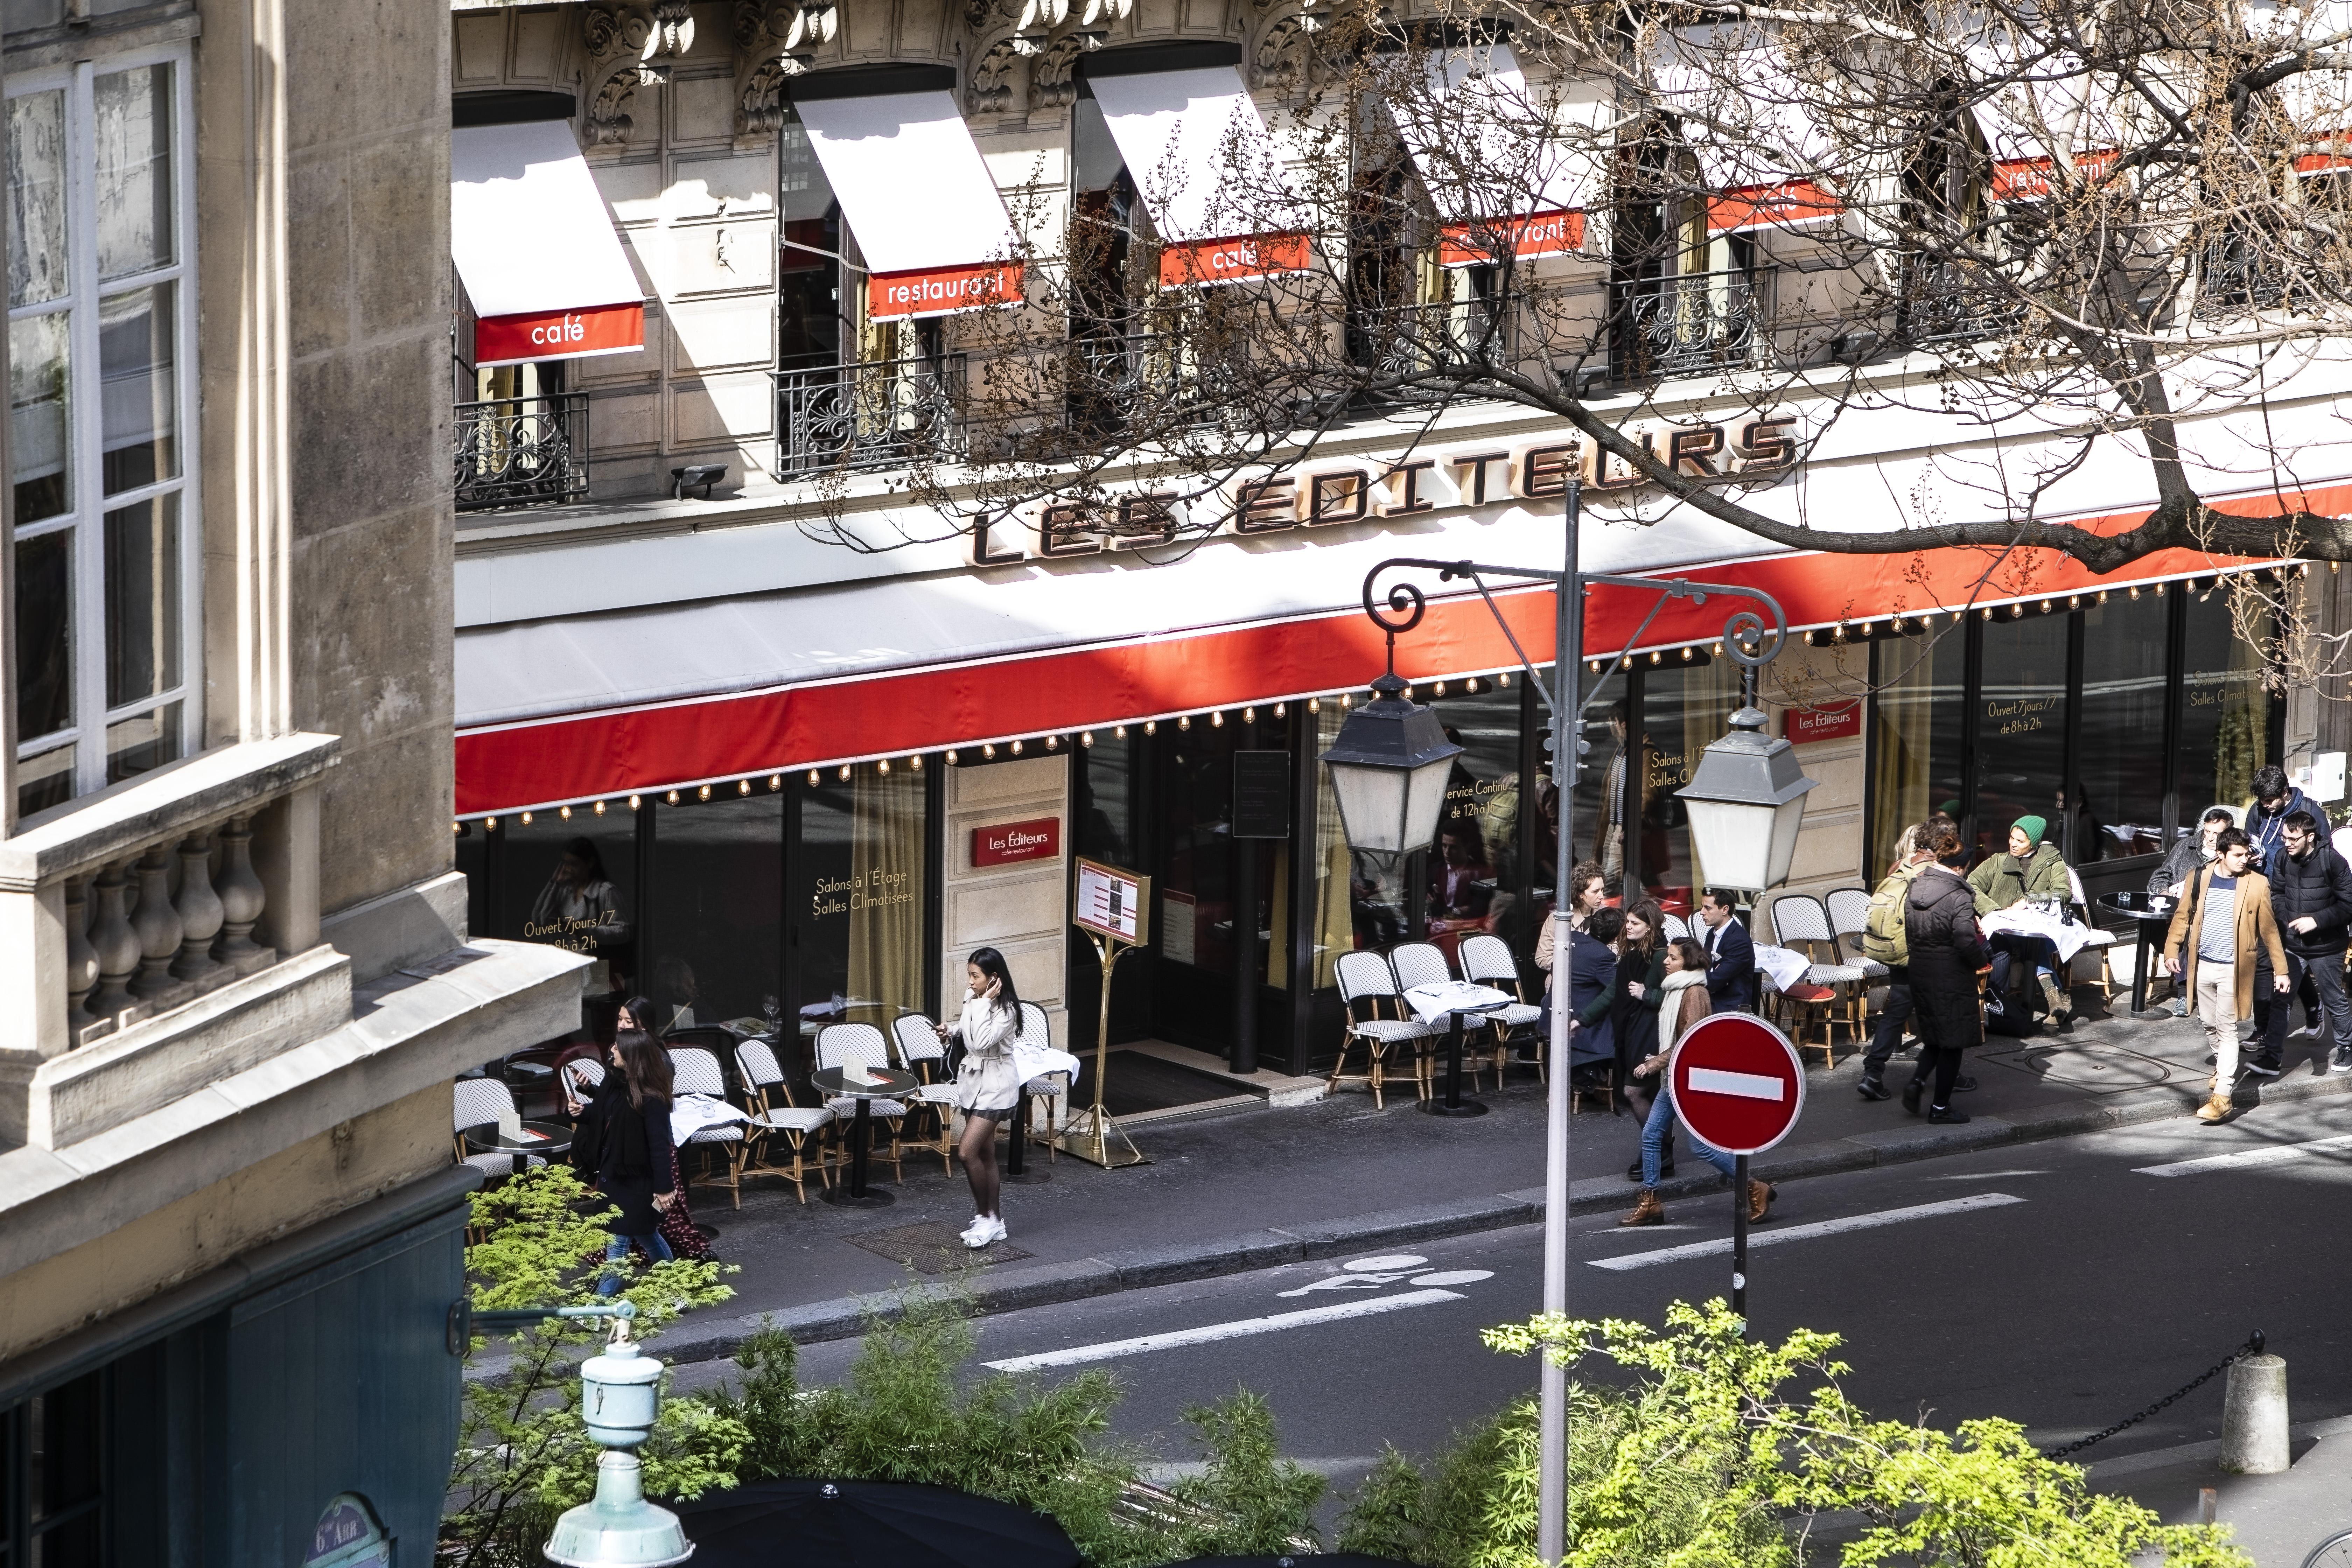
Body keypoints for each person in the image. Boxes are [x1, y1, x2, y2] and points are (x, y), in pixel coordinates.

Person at [1619, 937, 1775, 1227]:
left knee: (1701, 1148)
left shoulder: (1694, 992)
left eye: (1673, 958)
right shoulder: (1677, 988)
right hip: (1675, 1078)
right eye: (1667, 956)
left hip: (1690, 1081)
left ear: (1688, 962)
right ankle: (1651, 1202)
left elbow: (1689, 1042)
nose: (1666, 962)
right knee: (1652, 1137)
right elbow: (1680, 1040)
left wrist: (1653, 1064)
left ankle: (1754, 1186)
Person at [2162, 828, 2290, 1123]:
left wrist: (2280, 970)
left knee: (2227, 1028)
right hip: (2203, 964)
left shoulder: (2257, 884)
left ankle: (2223, 1095)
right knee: (2208, 1023)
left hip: (2235, 969)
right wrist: (2172, 951)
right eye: (2238, 855)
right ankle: (2223, 1067)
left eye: (2247, 854)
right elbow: (2183, 916)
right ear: (2220, 854)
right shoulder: (2199, 876)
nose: (2244, 859)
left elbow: (2270, 930)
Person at [576, 1030, 678, 1296]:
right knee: (646, 1235)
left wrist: (664, 1187)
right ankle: (677, 1289)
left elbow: (660, 1146)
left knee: (618, 1241)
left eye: (619, 1048)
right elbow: (604, 1113)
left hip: (638, 1181)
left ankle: (599, 1307)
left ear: (633, 1057)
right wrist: (580, 1111)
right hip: (615, 1175)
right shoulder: (617, 1082)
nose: (613, 1050)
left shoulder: (652, 1098)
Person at [2251, 810, 2352, 1074]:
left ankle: (2346, 1048)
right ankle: (2272, 1058)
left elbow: (2348, 905)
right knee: (2281, 997)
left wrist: (2316, 921)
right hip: (2293, 945)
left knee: (2333, 998)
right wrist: (2286, 920)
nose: (2287, 844)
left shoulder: (2333, 861)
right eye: (2284, 838)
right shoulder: (2284, 857)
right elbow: (2278, 893)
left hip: (2326, 947)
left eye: (2293, 839)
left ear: (2310, 836)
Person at [1905, 819, 1989, 1124]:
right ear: (1959, 868)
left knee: (1935, 1036)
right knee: (1952, 1043)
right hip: (1951, 975)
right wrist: (1981, 961)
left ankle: (1917, 1081)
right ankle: (1940, 1108)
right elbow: (1966, 940)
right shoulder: (1959, 896)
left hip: (1920, 970)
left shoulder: (1915, 887)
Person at [937, 947, 1023, 1247]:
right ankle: (993, 1220)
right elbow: (971, 1031)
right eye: (969, 975)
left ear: (994, 978)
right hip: (974, 1081)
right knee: (985, 1154)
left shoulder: (1007, 1010)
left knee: (966, 1152)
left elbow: (984, 1039)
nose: (971, 981)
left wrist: (983, 1003)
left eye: (976, 976)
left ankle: (987, 1218)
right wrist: (952, 1030)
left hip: (997, 1086)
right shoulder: (976, 998)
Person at [1968, 814, 2076, 1028]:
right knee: (2022, 946)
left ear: (2034, 843)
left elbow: (2064, 892)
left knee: (2032, 943)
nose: (2013, 844)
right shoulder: (1999, 861)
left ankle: (2013, 1004)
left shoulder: (2052, 863)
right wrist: (1994, 911)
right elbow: (1971, 885)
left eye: (2021, 841)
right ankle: (2056, 996)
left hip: (2043, 928)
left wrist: (2029, 900)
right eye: (2012, 838)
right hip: (2003, 929)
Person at [1858, 824, 1938, 1102]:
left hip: (1895, 952)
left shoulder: (1896, 869)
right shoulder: (1930, 872)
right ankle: (1946, 1073)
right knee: (1939, 1015)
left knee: (1897, 1012)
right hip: (1922, 954)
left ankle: (1872, 1073)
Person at [2154, 806, 2239, 1016]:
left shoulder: (2230, 858)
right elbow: (2159, 876)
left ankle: (2185, 993)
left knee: (2192, 932)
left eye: (2216, 834)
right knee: (2170, 930)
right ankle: (2189, 992)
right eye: (2207, 832)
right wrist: (2165, 892)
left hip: (2211, 919)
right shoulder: (2186, 847)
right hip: (2174, 915)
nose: (2210, 838)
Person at [1611, 900, 1668, 1172]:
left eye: (1635, 923)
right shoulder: (1637, 954)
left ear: (1650, 927)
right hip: (1637, 1030)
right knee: (1653, 1094)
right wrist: (1582, 1019)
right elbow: (1613, 991)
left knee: (1634, 1091)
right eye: (1628, 921)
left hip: (1654, 1033)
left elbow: (1676, 996)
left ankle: (1657, 1148)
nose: (1628, 927)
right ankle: (1660, 1153)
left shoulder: (1660, 955)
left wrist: (1646, 994)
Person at [1547, 904, 1623, 1077]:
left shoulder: (1572, 937)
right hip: (1577, 1020)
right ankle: (1604, 1076)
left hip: (1553, 1010)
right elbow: (1619, 987)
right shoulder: (1603, 956)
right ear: (1615, 936)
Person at [2245, 765, 2317, 876]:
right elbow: (2248, 841)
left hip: (2296, 884)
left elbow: (2325, 852)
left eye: (2269, 800)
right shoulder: (2258, 809)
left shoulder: (2310, 811)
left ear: (2284, 792)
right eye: (2262, 800)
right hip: (2263, 882)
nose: (2265, 805)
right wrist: (2248, 855)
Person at [1695, 888, 1756, 1013]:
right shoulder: (1712, 934)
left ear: (1725, 910)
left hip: (1730, 1008)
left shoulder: (1739, 941)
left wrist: (1707, 975)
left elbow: (1714, 982)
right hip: (1711, 1001)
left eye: (1708, 908)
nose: (1702, 912)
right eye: (1703, 907)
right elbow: (1705, 968)